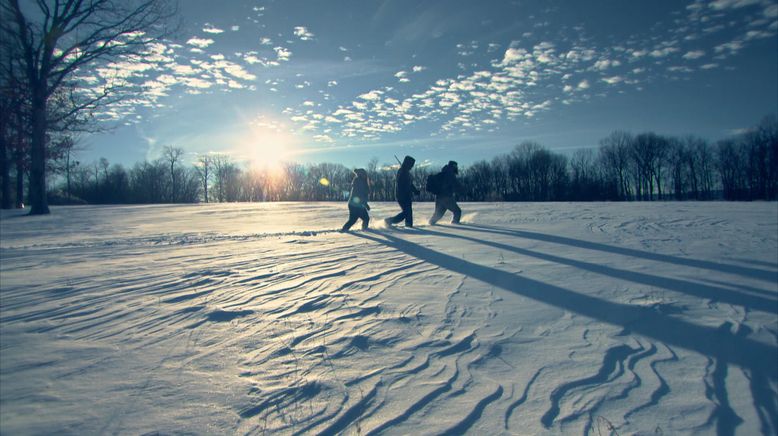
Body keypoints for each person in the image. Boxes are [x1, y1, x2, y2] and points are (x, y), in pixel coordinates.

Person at [385, 155, 420, 227]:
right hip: (402, 196)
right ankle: (389, 221)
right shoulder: (402, 171)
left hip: (406, 196)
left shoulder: (406, 172)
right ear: (407, 163)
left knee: (408, 212)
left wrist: (415, 191)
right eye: (411, 165)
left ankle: (409, 225)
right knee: (407, 212)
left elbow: (410, 184)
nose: (412, 167)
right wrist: (409, 190)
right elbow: (403, 184)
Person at [429, 160, 462, 225]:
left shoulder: (444, 172)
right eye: (456, 166)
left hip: (439, 197)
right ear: (454, 166)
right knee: (457, 211)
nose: (456, 168)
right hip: (447, 197)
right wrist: (466, 192)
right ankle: (456, 226)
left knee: (438, 214)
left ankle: (431, 223)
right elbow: (456, 185)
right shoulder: (450, 174)